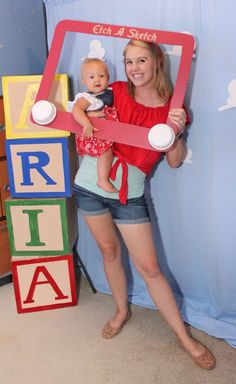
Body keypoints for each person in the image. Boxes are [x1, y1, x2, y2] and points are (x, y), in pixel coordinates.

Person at [72, 40, 216, 370]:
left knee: (150, 268)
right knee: (109, 251)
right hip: (90, 183)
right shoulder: (116, 90)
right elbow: (83, 108)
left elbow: (175, 162)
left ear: (156, 64)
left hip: (130, 190)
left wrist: (176, 132)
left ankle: (185, 338)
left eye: (141, 60)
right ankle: (122, 310)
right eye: (128, 61)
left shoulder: (174, 108)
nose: (134, 68)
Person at [68, 58, 118, 193]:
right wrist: (87, 123)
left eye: (101, 76)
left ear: (108, 78)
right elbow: (76, 110)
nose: (97, 80)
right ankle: (102, 179)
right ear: (84, 81)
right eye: (91, 77)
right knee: (106, 153)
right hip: (93, 133)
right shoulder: (87, 98)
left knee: (110, 151)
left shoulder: (109, 93)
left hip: (106, 132)